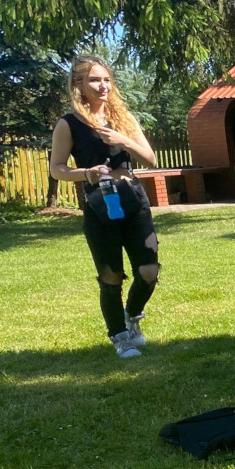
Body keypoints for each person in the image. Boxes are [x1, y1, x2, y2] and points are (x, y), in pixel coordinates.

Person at [49, 56, 161, 359]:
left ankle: (132, 315)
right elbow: (56, 169)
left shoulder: (123, 118)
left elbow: (150, 160)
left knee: (149, 270)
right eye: (95, 80)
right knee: (110, 275)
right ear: (79, 85)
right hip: (100, 204)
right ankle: (120, 337)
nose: (103, 86)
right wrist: (84, 174)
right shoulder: (69, 123)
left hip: (133, 199)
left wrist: (122, 139)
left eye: (107, 79)